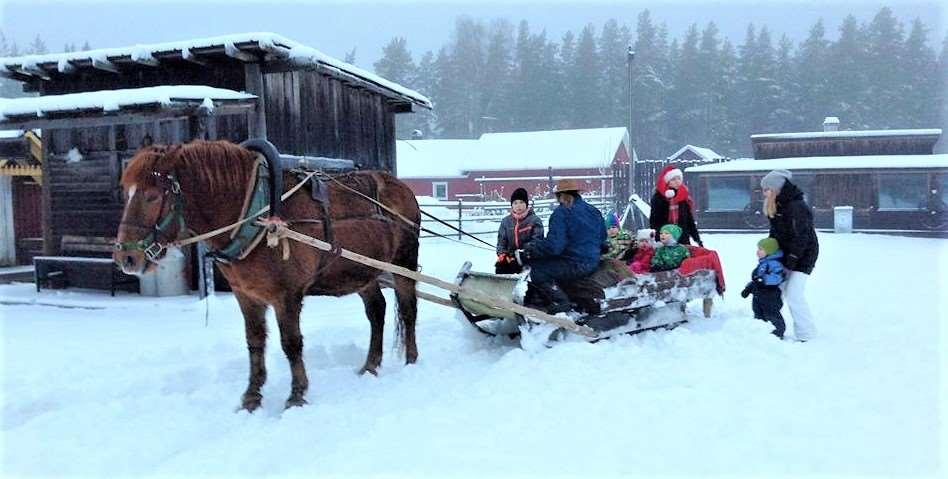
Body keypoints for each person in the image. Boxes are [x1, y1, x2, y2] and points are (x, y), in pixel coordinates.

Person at [518, 179, 607, 313]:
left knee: (538, 270)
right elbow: (603, 238)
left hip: (576, 264)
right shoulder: (593, 211)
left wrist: (530, 250)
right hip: (592, 261)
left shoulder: (561, 213)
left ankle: (561, 302)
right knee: (550, 264)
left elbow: (554, 247)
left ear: (560, 195)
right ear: (577, 193)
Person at [762, 169, 819, 342]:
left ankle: (806, 334)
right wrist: (768, 253)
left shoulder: (796, 207)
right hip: (785, 254)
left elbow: (801, 238)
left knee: (794, 294)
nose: (763, 192)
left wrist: (790, 263)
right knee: (774, 290)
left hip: (804, 255)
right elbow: (775, 234)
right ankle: (769, 328)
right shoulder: (777, 204)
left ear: (776, 188)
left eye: (766, 189)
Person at [740, 237, 786, 339]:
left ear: (769, 251)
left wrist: (764, 279)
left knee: (771, 314)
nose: (758, 251)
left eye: (761, 249)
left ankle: (778, 332)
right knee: (758, 313)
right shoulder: (763, 263)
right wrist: (748, 288)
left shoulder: (774, 264)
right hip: (759, 295)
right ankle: (760, 331)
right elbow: (756, 279)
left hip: (770, 295)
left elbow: (778, 277)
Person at [649, 164, 703, 246]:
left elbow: (689, 220)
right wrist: (659, 238)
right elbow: (654, 221)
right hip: (665, 240)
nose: (677, 181)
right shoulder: (658, 198)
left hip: (683, 239)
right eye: (673, 179)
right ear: (667, 182)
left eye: (679, 178)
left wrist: (697, 239)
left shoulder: (683, 196)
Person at [495, 188, 544, 274]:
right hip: (510, 258)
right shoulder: (506, 222)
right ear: (512, 205)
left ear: (526, 204)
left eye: (521, 202)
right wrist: (503, 254)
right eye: (515, 203)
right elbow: (501, 242)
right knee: (501, 268)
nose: (518, 206)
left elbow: (537, 241)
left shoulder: (534, 220)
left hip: (529, 257)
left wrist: (520, 254)